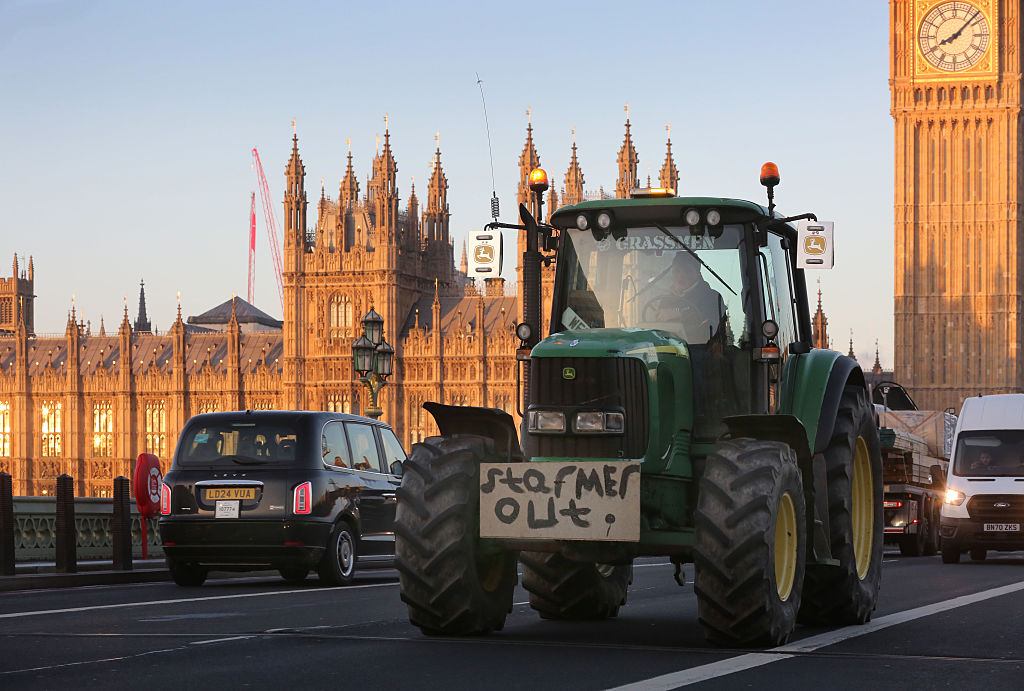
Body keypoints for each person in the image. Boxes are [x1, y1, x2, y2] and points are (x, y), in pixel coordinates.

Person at [650, 252, 725, 344]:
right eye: (677, 271)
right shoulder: (666, 300)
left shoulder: (712, 297)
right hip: (671, 349)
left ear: (697, 273)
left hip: (702, 349)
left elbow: (710, 323)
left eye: (687, 270)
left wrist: (679, 313)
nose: (681, 275)